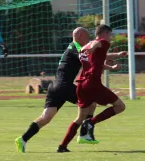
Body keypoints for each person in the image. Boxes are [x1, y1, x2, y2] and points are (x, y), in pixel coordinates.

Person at [15, 27, 123, 153]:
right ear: (79, 35)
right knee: (91, 104)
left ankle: (22, 139)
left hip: (55, 86)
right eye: (87, 38)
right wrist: (111, 62)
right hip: (64, 86)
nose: (88, 41)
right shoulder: (76, 47)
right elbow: (90, 58)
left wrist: (109, 64)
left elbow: (93, 60)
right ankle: (85, 134)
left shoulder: (72, 48)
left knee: (46, 117)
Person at [57, 24, 127, 153]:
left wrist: (116, 55)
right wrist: (96, 46)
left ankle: (62, 146)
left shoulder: (85, 47)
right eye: (110, 35)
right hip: (93, 84)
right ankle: (91, 123)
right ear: (105, 34)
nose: (110, 39)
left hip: (81, 85)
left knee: (80, 117)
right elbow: (98, 44)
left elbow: (99, 57)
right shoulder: (102, 42)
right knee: (120, 106)